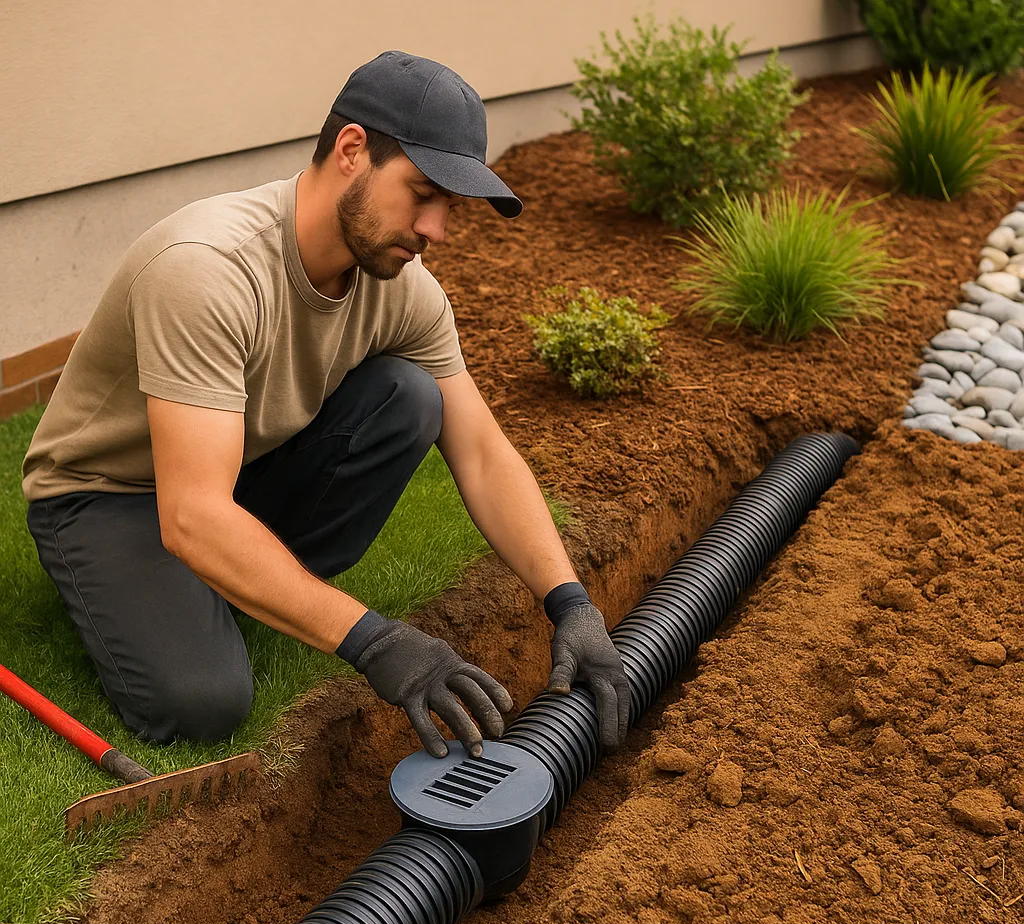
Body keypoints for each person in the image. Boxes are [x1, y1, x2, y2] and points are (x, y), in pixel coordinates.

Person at [21, 50, 629, 760]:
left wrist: (571, 603)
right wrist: (379, 642)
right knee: (203, 702)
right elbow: (190, 514)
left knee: (410, 395)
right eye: (423, 193)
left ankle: (243, 584)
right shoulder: (207, 270)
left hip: (235, 467)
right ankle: (189, 589)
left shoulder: (402, 288)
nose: (438, 230)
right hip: (110, 493)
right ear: (351, 151)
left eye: (449, 207)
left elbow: (484, 454)